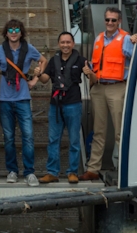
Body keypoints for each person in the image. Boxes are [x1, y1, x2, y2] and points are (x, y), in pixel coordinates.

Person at [79, 7, 137, 181]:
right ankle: (93, 169)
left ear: (119, 21)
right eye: (107, 20)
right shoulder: (99, 38)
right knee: (98, 130)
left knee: (120, 130)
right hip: (98, 87)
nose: (110, 23)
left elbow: (135, 58)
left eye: (114, 20)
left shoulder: (126, 39)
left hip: (117, 87)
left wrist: (136, 41)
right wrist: (88, 70)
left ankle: (122, 168)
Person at [0, 19, 47, 187]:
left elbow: (43, 61)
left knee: (28, 136)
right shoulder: (0, 50)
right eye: (10, 29)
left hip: (23, 98)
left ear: (21, 32)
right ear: (6, 33)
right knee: (8, 137)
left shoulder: (29, 49)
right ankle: (12, 171)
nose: (14, 32)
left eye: (16, 29)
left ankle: (29, 172)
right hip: (5, 99)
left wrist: (35, 80)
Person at [37, 32, 96, 184]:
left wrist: (89, 73)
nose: (65, 45)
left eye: (68, 42)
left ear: (73, 43)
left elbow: (93, 79)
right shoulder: (53, 60)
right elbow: (45, 80)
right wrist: (37, 74)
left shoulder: (81, 60)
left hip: (73, 104)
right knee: (53, 140)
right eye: (62, 42)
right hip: (55, 105)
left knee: (74, 140)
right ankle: (52, 172)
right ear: (58, 44)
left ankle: (72, 172)